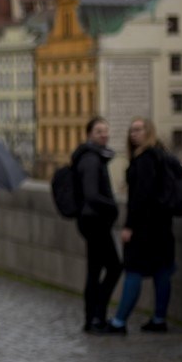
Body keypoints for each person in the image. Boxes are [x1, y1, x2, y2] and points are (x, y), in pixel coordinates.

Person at [106, 118, 176, 334]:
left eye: (138, 129)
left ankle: (119, 322)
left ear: (149, 132)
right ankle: (159, 319)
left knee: (133, 271)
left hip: (144, 228)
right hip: (162, 225)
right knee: (162, 271)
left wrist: (129, 226)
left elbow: (140, 198)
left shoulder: (145, 159)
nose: (133, 134)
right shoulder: (161, 155)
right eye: (132, 130)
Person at [71, 116, 121, 333]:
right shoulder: (91, 159)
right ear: (90, 134)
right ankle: (96, 316)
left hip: (90, 220)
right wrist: (112, 206)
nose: (104, 134)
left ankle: (92, 318)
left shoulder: (91, 156)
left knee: (95, 269)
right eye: (99, 131)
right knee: (114, 267)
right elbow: (92, 194)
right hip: (95, 221)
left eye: (106, 131)